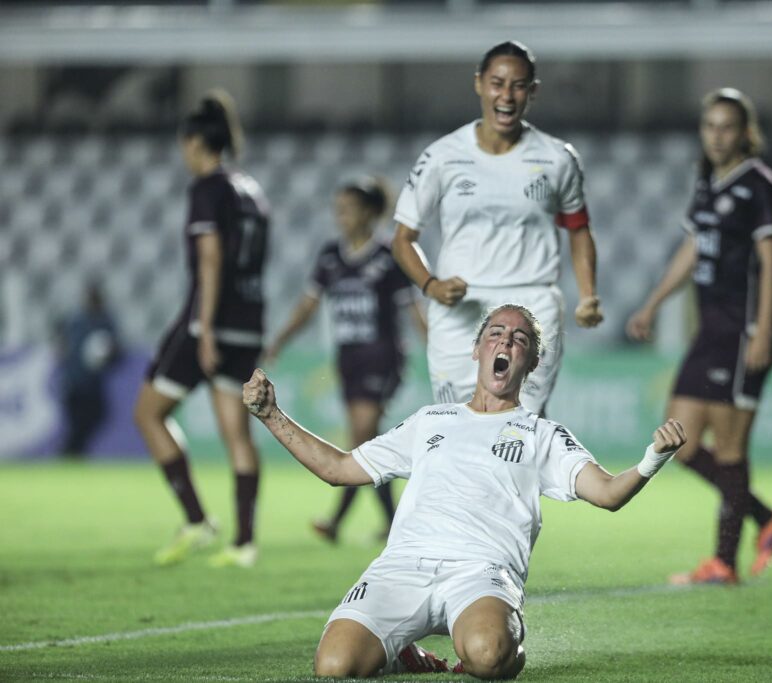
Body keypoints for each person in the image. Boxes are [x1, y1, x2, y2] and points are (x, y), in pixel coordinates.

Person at [243, 304, 685, 679]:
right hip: (400, 569)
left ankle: (510, 644)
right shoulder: (430, 420)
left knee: (487, 656)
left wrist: (653, 459)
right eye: (496, 334)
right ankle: (404, 654)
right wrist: (270, 414)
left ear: (530, 364)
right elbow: (338, 468)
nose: (506, 343)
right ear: (477, 351)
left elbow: (607, 493)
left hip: (480, 573)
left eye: (520, 340)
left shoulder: (542, 434)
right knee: (333, 666)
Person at [626, 88, 772, 585]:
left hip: (743, 332)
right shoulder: (708, 182)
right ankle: (768, 519)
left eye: (727, 127)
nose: (717, 135)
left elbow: (770, 258)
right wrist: (654, 302)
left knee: (728, 449)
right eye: (710, 126)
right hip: (711, 333)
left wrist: (762, 328)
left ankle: (725, 561)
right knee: (675, 440)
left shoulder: (759, 184)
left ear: (745, 132)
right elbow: (693, 248)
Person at [391, 40, 603, 416]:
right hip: (459, 307)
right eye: (497, 83)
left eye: (518, 85)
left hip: (532, 303)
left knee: (520, 423)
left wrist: (588, 295)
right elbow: (403, 240)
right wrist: (431, 285)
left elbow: (579, 229)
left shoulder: (557, 158)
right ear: (479, 84)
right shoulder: (442, 156)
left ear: (532, 91)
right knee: (454, 424)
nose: (506, 95)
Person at [133, 89, 270, 568]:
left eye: (183, 144)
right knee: (237, 433)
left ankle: (196, 519)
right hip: (249, 322)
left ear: (194, 142)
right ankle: (244, 543)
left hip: (207, 323)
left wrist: (205, 328)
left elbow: (210, 259)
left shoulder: (207, 189)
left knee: (148, 413)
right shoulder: (252, 190)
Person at [263, 177, 426, 544]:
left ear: (369, 213)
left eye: (348, 209)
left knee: (361, 434)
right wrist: (281, 340)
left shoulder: (388, 258)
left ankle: (339, 520)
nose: (341, 217)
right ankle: (395, 523)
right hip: (348, 359)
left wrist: (435, 348)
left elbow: (413, 311)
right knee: (365, 440)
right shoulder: (331, 256)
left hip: (383, 358)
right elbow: (308, 306)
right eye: (338, 209)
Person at [55, 281, 120, 456]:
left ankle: (73, 452)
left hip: (91, 385)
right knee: (78, 423)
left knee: (95, 417)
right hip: (75, 383)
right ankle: (70, 453)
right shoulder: (76, 321)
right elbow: (63, 348)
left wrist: (111, 355)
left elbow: (118, 354)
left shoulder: (104, 321)